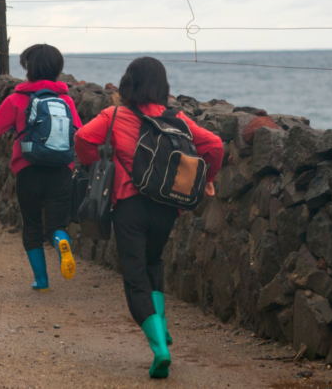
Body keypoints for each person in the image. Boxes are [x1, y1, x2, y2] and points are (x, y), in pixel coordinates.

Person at [74, 57, 223, 378]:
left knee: (135, 275)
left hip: (129, 207)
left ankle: (159, 348)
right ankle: (162, 328)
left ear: (129, 82)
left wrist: (92, 164)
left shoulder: (114, 115)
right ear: (162, 85)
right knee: (154, 262)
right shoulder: (178, 119)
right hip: (168, 207)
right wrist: (208, 178)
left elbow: (83, 139)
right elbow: (214, 144)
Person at [0, 44, 82, 292]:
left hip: (28, 170)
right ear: (58, 69)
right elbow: (79, 134)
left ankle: (42, 281)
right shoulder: (65, 100)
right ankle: (61, 241)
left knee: (32, 226)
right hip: (61, 171)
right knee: (57, 225)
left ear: (28, 68)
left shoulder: (16, 100)